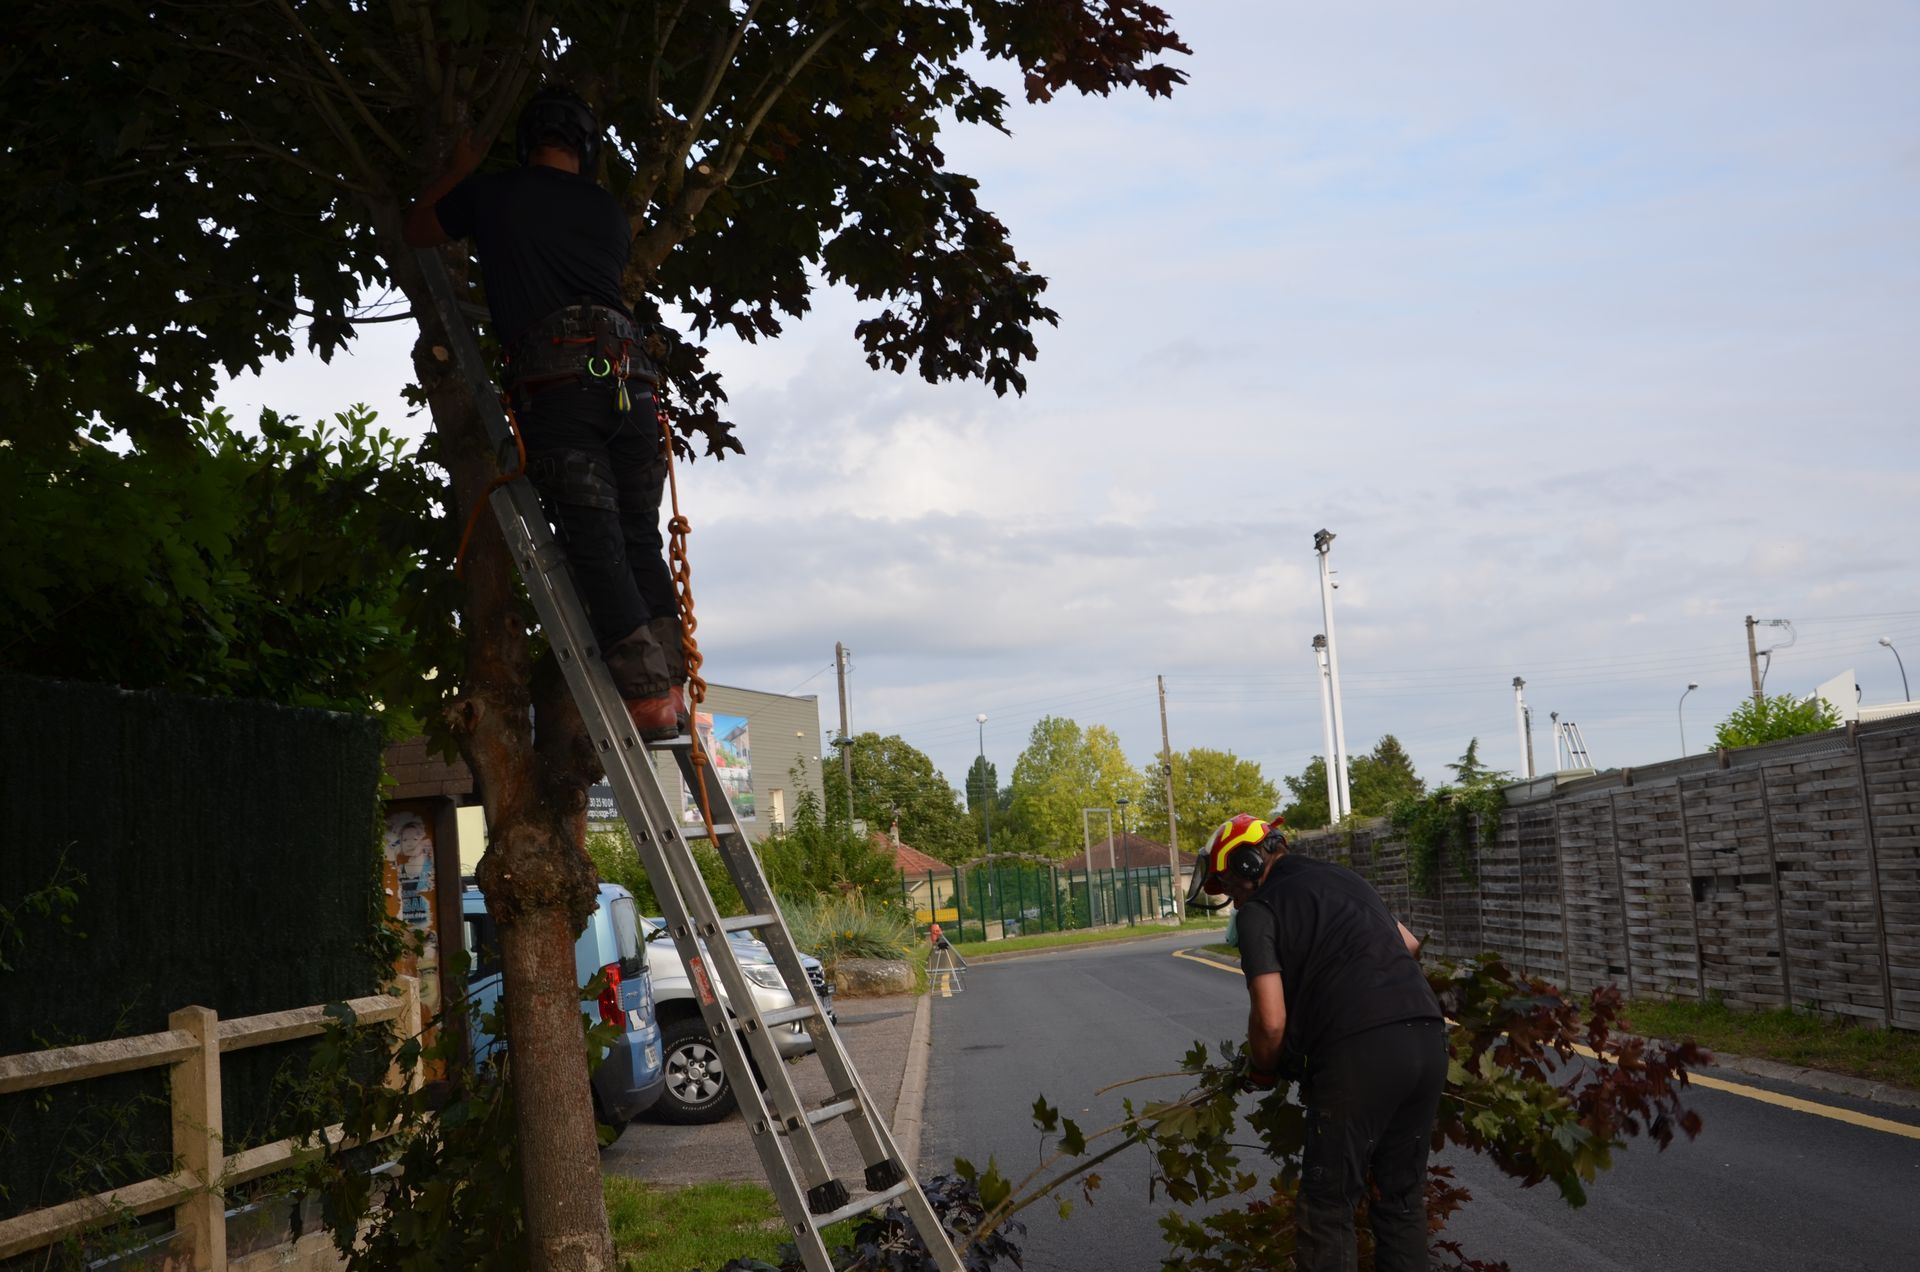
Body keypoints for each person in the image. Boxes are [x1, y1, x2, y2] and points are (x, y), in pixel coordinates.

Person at [402, 86, 685, 738]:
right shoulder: (610, 213)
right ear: (586, 151)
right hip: (631, 383)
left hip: (559, 384)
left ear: (528, 144)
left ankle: (647, 703)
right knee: (640, 535)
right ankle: (668, 688)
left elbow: (419, 229)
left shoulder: (496, 194)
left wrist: (460, 173)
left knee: (598, 541)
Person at [1184, 814, 1445, 1272]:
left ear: (1247, 863)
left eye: (1229, 884)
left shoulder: (1259, 913)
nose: (1232, 898)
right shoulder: (1343, 878)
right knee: (1399, 1197)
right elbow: (1408, 945)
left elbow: (1269, 1021)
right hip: (1426, 1035)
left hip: (1358, 1053)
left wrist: (1263, 1069)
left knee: (1328, 1206)